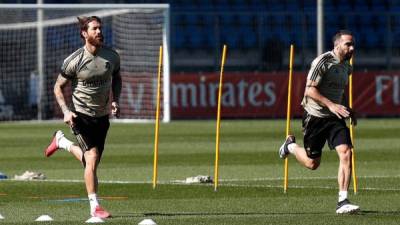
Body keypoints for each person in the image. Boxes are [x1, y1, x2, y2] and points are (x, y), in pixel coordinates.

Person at [44, 16, 121, 219]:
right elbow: (57, 87)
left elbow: (118, 77)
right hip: (81, 115)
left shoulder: (112, 56)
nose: (99, 32)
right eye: (94, 29)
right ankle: (95, 207)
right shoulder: (74, 60)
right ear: (84, 34)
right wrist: (66, 110)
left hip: (102, 117)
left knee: (90, 163)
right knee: (92, 158)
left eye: (100, 28)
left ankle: (61, 142)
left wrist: (115, 99)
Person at [279, 30, 359, 214]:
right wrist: (332, 105)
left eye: (353, 44)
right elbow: (309, 91)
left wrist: (347, 108)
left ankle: (343, 200)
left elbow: (340, 90)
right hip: (315, 117)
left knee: (346, 152)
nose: (352, 48)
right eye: (348, 44)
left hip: (335, 118)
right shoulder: (322, 62)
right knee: (312, 164)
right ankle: (290, 147)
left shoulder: (347, 66)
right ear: (337, 45)